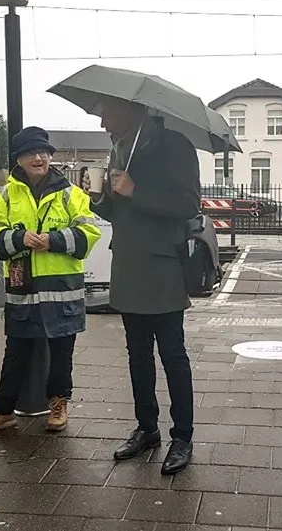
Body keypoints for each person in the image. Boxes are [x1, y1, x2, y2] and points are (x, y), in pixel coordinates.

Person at [84, 96, 200, 475]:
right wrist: (99, 199)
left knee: (173, 355)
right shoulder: (119, 149)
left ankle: (182, 436)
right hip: (129, 266)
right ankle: (147, 428)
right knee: (137, 355)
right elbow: (119, 211)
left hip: (162, 266)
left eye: (107, 114)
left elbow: (188, 204)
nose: (103, 123)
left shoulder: (174, 146)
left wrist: (136, 191)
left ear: (130, 109)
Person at [0, 126, 101, 436]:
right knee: (15, 354)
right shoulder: (5, 196)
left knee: (61, 355)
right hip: (23, 292)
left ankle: (58, 404)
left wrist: (52, 241)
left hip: (62, 291)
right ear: (19, 159)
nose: (39, 158)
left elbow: (89, 233)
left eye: (44, 152)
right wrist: (18, 238)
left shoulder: (71, 194)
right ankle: (3, 410)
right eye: (31, 153)